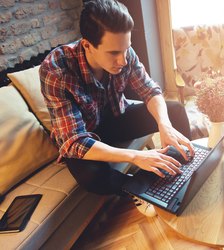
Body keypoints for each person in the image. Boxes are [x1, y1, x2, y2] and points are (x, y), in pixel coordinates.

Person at [39, 0, 194, 217]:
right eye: (113, 53)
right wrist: (134, 157)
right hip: (84, 136)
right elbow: (74, 141)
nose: (123, 60)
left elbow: (150, 90)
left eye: (126, 49)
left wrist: (164, 125)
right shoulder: (56, 69)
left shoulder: (124, 53)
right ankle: (138, 189)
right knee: (90, 177)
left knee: (175, 110)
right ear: (87, 45)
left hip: (115, 117)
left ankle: (187, 171)